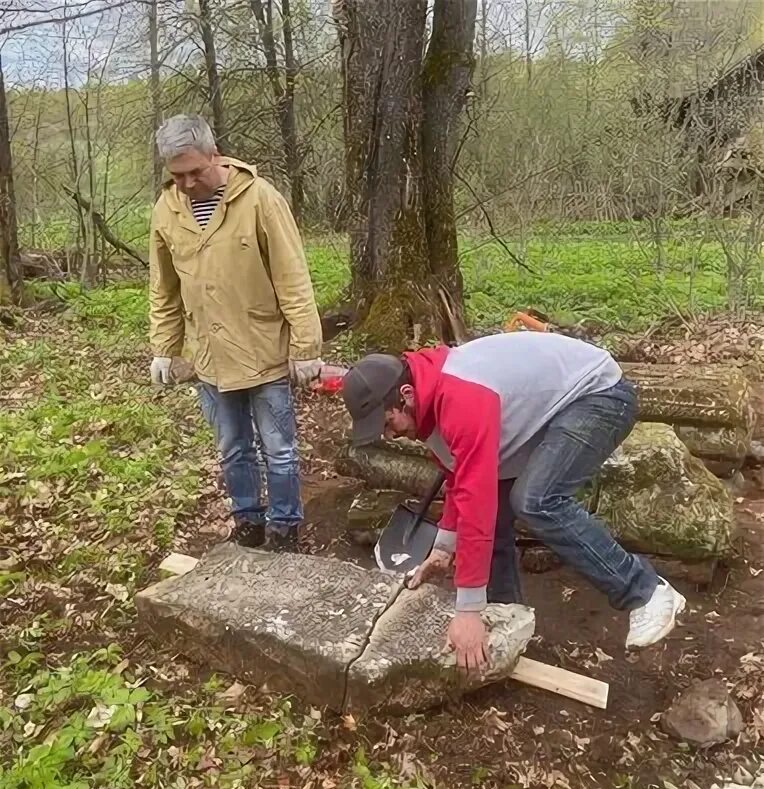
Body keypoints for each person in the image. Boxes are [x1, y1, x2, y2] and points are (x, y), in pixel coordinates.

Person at [340, 332, 687, 671]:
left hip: (598, 395)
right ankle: (508, 619)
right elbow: (461, 479)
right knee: (495, 518)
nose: (389, 434)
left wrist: (467, 612)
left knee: (536, 500)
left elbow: (477, 500)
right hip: (548, 412)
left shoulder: (459, 398)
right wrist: (444, 547)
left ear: (406, 394)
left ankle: (646, 591)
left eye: (388, 422)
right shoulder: (430, 405)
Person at [148, 114, 323, 552]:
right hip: (210, 357)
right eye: (177, 175)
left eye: (195, 171)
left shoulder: (259, 199)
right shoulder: (166, 211)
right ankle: (248, 522)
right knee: (233, 449)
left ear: (215, 155)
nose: (187, 183)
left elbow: (292, 277)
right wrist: (164, 348)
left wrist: (305, 346)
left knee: (279, 449)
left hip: (263, 349)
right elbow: (163, 288)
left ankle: (285, 529)